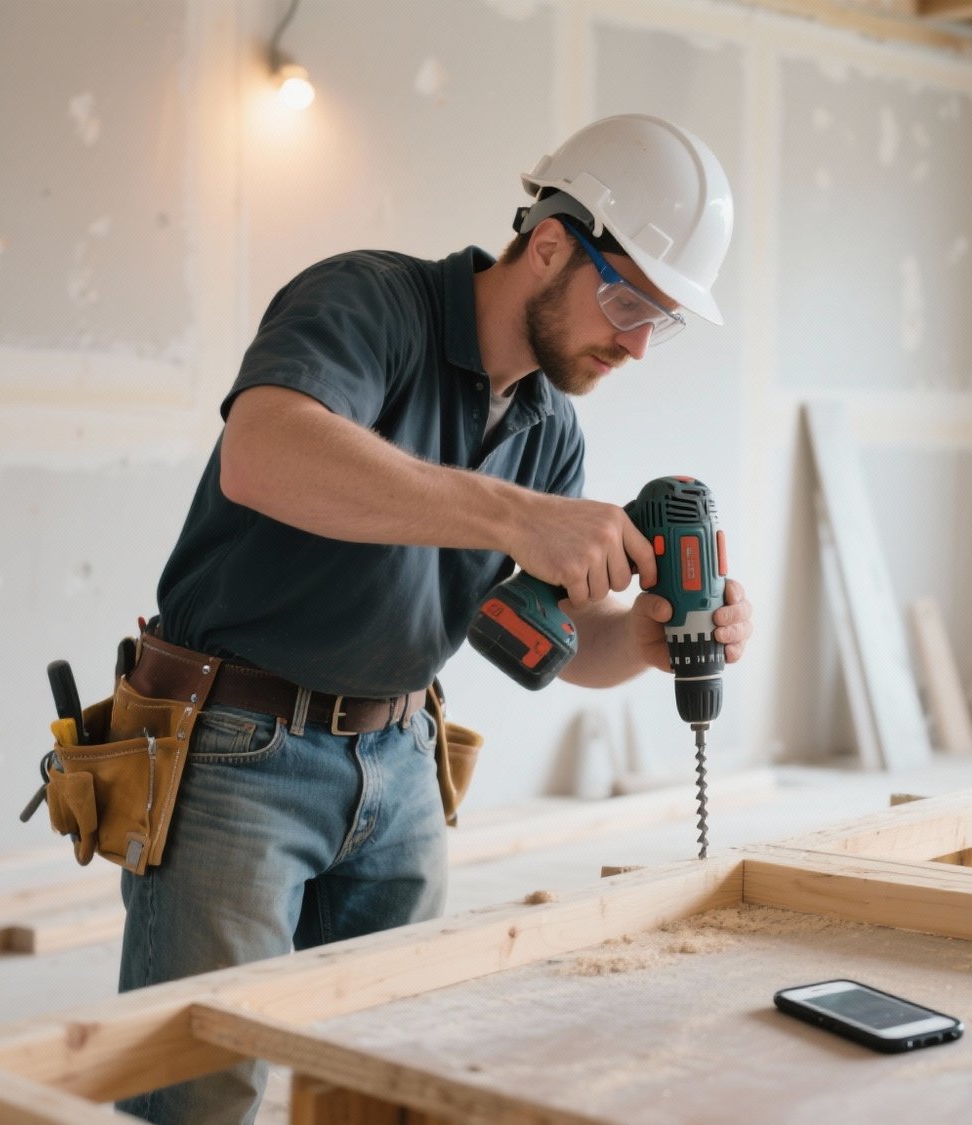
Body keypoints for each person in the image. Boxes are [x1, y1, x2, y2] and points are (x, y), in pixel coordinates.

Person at [119, 113, 754, 1121]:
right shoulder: (370, 301)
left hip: (403, 763)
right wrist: (513, 513)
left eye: (661, 319)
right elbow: (264, 452)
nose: (636, 343)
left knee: (389, 1078)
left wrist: (634, 642)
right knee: (197, 1090)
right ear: (550, 243)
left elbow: (523, 640)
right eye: (627, 298)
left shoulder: (548, 429)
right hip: (238, 752)